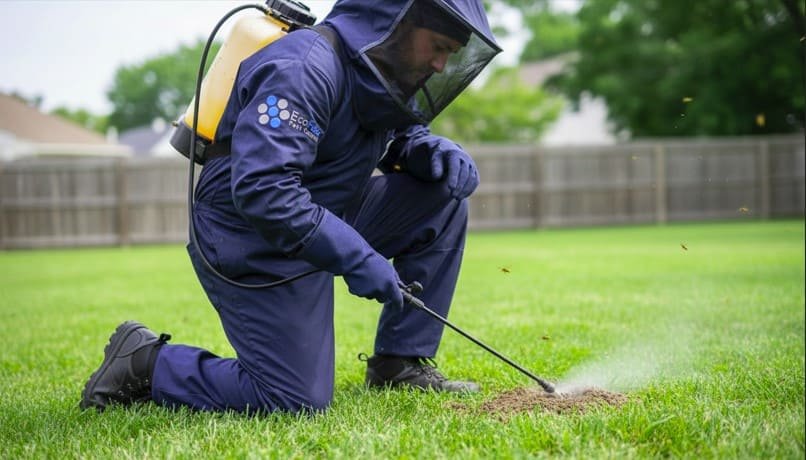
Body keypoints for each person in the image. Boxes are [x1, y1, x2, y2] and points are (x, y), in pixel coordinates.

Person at [80, 0, 501, 414]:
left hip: (323, 213)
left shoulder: (383, 72)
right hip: (247, 234)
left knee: (441, 198)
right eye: (439, 47)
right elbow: (266, 191)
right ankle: (147, 362)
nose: (442, 66)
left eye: (450, 53)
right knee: (294, 399)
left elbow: (399, 129)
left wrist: (428, 149)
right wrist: (357, 258)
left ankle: (400, 361)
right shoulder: (303, 68)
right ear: (400, 23)